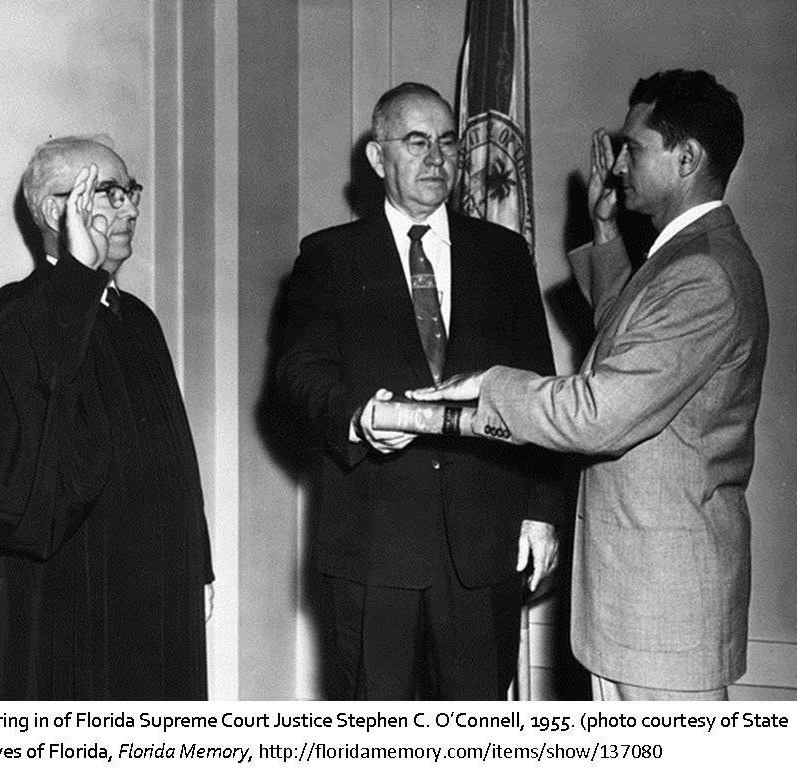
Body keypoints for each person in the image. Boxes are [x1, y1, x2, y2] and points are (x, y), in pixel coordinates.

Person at [409, 70, 769, 701]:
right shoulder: (685, 257)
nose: (619, 164)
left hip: (663, 616)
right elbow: (630, 337)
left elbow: (601, 411)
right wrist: (605, 232)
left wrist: (489, 385)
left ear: (686, 158)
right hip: (639, 608)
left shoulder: (704, 274)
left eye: (634, 148)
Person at [277, 83, 562, 700]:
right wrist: (357, 417)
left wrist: (542, 511)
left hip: (483, 545)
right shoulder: (329, 257)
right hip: (373, 546)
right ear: (377, 157)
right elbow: (300, 370)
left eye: (448, 142)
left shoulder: (505, 254)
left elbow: (539, 389)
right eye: (416, 142)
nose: (437, 157)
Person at [0, 136, 213, 699]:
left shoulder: (138, 320)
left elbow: (175, 456)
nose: (130, 208)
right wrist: (77, 274)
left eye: (131, 192)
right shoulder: (12, 316)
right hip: (68, 593)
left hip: (159, 591)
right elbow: (14, 474)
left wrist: (199, 564)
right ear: (54, 212)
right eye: (108, 193)